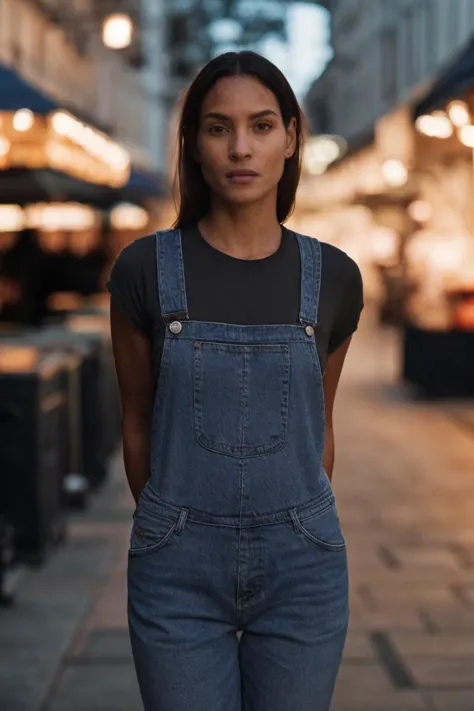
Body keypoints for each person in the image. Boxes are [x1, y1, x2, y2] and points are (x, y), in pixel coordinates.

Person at [108, 51, 363, 711]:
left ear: (292, 136)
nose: (240, 147)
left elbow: (321, 426)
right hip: (178, 572)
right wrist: (175, 526)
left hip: (302, 568)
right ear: (191, 143)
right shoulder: (143, 270)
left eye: (261, 125)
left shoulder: (334, 276)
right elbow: (136, 423)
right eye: (219, 127)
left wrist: (291, 520)